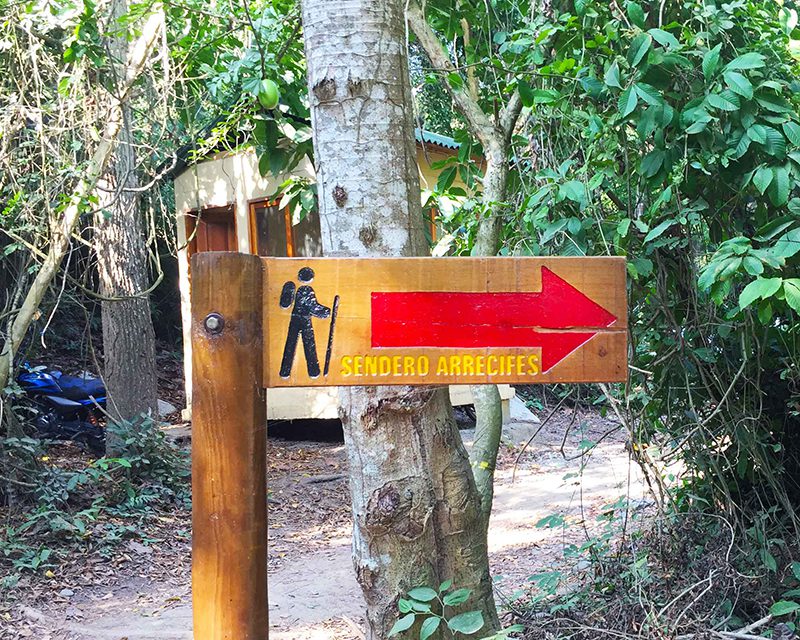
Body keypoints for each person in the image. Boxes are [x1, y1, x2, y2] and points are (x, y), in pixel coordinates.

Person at [279, 267, 331, 378]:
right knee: (309, 346)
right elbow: (313, 307)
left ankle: (285, 370)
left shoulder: (291, 286)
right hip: (304, 321)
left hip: (294, 319)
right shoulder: (306, 290)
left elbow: (285, 303)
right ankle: (313, 370)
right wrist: (326, 312)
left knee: (291, 344)